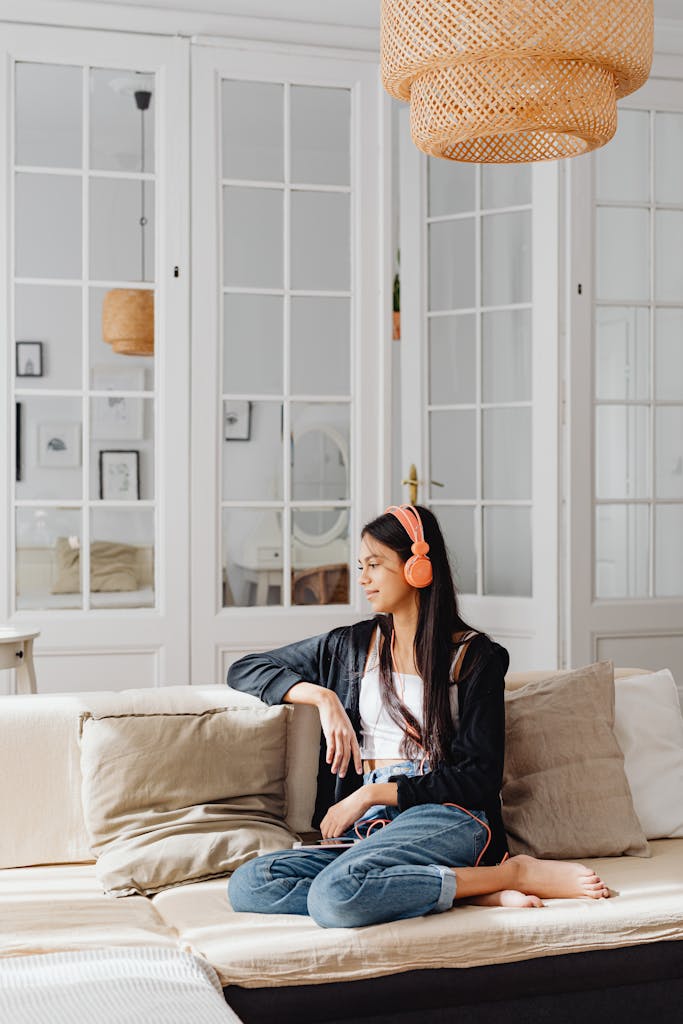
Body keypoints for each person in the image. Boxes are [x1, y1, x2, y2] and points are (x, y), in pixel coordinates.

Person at [227, 505, 610, 928]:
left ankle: (511, 872)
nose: (363, 579)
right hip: (370, 828)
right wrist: (323, 699)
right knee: (251, 883)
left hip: (445, 813)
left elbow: (479, 777)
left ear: (418, 568)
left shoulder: (476, 657)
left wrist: (372, 794)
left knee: (335, 896)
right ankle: (473, 888)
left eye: (374, 565)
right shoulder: (350, 646)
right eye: (361, 566)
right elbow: (245, 669)